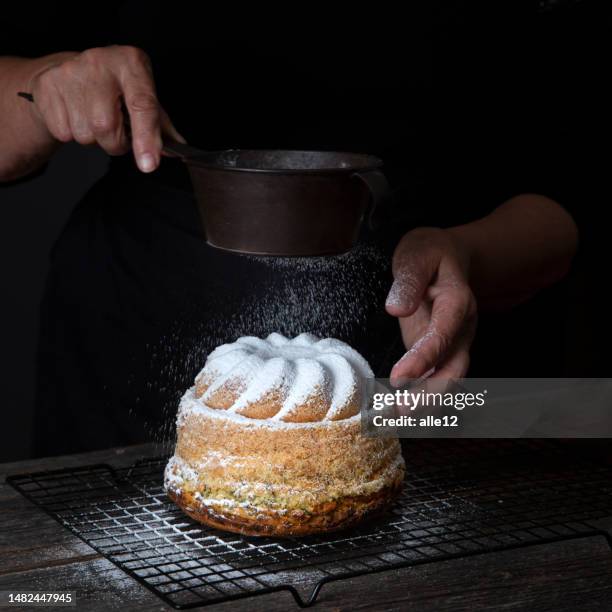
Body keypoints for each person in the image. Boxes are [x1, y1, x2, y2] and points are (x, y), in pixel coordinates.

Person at [0, 2, 588, 455]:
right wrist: (46, 83)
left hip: (414, 361)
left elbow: (570, 194)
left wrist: (467, 254)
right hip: (131, 341)